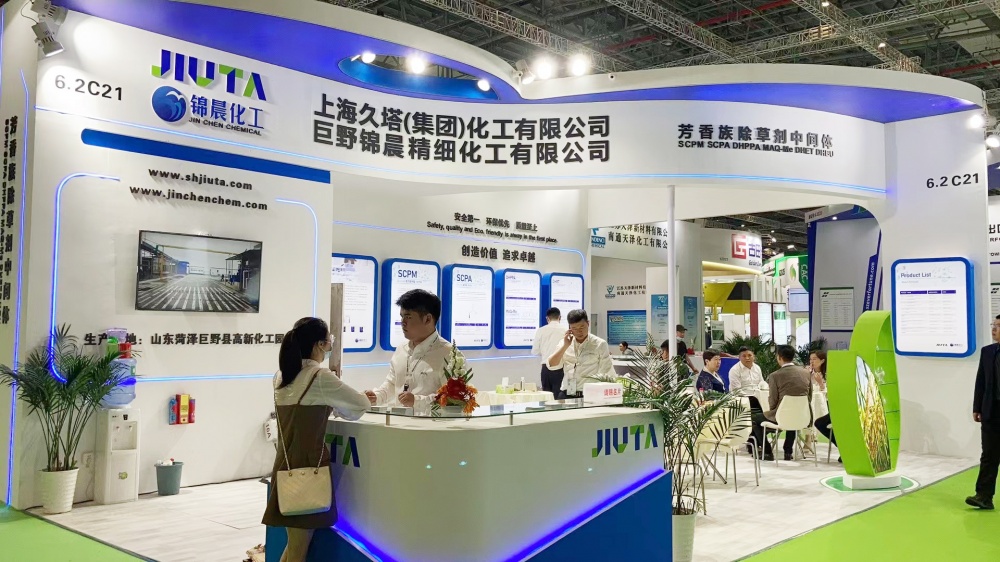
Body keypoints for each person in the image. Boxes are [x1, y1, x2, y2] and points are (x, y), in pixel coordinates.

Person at [262, 317, 371, 562]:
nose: (330, 346)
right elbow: (360, 405)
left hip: (285, 465)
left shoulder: (281, 376)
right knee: (298, 549)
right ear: (319, 344)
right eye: (329, 341)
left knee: (294, 545)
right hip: (309, 468)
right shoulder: (319, 377)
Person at [365, 290, 454, 411]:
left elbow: (454, 399)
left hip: (431, 422)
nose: (403, 322)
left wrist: (417, 401)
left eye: (408, 317)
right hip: (398, 421)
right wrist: (377, 396)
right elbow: (392, 383)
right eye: (402, 317)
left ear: (427, 319)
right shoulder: (401, 349)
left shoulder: (449, 354)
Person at [752, 345, 812, 461]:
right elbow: (809, 396)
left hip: (782, 415)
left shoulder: (775, 375)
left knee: (755, 419)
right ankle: (788, 451)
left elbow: (773, 400)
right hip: (802, 416)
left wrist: (772, 412)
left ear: (779, 357)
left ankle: (767, 452)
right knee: (793, 415)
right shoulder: (806, 373)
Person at [967, 315, 1000, 510]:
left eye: (998, 326)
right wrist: (977, 407)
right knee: (989, 454)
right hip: (991, 411)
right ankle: (984, 496)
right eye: (993, 325)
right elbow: (981, 381)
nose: (994, 329)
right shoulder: (987, 352)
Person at [548, 309, 615, 398]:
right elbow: (551, 364)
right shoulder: (564, 342)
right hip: (567, 392)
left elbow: (606, 371)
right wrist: (565, 346)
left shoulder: (599, 344)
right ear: (570, 328)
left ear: (588, 323)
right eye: (574, 328)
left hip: (589, 394)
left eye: (582, 327)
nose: (579, 332)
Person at [809, 351, 838, 461]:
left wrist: (821, 383)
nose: (812, 361)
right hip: (811, 401)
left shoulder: (828, 374)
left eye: (814, 359)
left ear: (822, 361)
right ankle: (807, 440)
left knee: (821, 421)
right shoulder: (807, 373)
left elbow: (829, 394)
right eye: (810, 359)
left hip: (827, 404)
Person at [531, 307, 565, 396]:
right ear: (560, 317)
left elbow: (535, 351)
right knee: (559, 396)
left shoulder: (541, 330)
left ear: (547, 318)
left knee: (546, 397)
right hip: (561, 367)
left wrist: (545, 351)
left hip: (546, 367)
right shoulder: (565, 330)